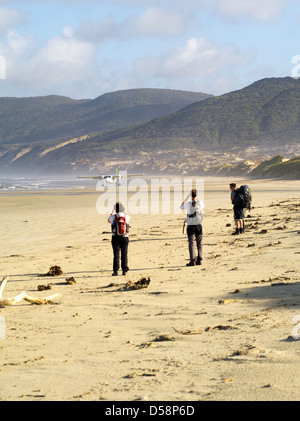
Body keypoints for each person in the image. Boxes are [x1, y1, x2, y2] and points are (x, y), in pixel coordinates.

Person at [180, 189, 204, 266]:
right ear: (197, 195)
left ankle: (192, 260)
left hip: (191, 225)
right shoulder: (200, 203)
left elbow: (181, 207)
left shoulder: (187, 204)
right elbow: (201, 207)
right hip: (198, 224)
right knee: (199, 242)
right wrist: (197, 198)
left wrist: (186, 199)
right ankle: (199, 259)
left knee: (191, 243)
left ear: (190, 195)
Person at [108, 202, 130, 276]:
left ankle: (115, 271)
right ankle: (124, 270)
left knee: (116, 254)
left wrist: (112, 213)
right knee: (124, 253)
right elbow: (129, 218)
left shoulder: (113, 217)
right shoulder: (126, 216)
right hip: (125, 237)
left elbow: (108, 221)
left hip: (115, 237)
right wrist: (124, 212)